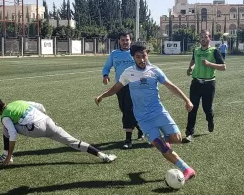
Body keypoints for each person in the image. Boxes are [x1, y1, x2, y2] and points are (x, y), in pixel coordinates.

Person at [95, 41, 196, 181]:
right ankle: (187, 169)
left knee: (177, 139)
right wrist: (102, 96)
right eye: (138, 57)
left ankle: (155, 141)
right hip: (143, 118)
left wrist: (187, 100)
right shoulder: (128, 73)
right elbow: (116, 87)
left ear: (147, 54)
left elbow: (171, 86)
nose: (142, 60)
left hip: (159, 112)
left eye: (144, 56)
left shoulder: (155, 71)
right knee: (163, 147)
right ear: (133, 57)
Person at [0, 98, 116, 165]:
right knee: (72, 141)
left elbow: (13, 135)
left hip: (34, 130)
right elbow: (40, 106)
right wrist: (44, 117)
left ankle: (6, 156)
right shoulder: (18, 102)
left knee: (6, 127)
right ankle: (103, 156)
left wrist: (10, 155)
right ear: (4, 102)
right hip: (48, 122)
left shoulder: (4, 116)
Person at [102, 30, 143, 149]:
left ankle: (128, 139)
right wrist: (105, 75)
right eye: (123, 40)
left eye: (127, 40)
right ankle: (140, 128)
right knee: (124, 110)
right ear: (119, 41)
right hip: (120, 87)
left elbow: (145, 65)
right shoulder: (114, 54)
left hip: (134, 86)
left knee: (128, 110)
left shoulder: (136, 53)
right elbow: (106, 67)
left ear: (131, 40)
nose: (125, 42)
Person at [185, 29, 226, 142]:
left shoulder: (214, 51)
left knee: (207, 108)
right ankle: (189, 133)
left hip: (209, 84)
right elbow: (193, 61)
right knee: (192, 108)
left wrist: (209, 64)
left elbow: (223, 67)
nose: (203, 38)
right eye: (201, 36)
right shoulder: (196, 50)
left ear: (209, 38)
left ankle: (210, 120)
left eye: (205, 36)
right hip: (196, 83)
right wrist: (190, 68)